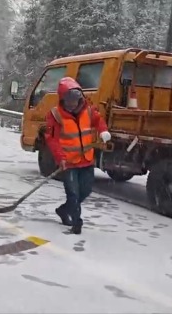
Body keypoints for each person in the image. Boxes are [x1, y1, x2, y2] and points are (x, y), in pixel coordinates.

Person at [44, 77, 110, 234]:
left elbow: (98, 120)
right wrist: (60, 159)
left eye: (76, 99)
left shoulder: (88, 110)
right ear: (63, 99)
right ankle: (77, 222)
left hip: (86, 160)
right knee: (73, 193)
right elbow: (52, 140)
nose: (73, 103)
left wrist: (103, 131)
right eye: (69, 100)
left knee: (85, 191)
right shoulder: (55, 115)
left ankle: (63, 210)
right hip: (69, 163)